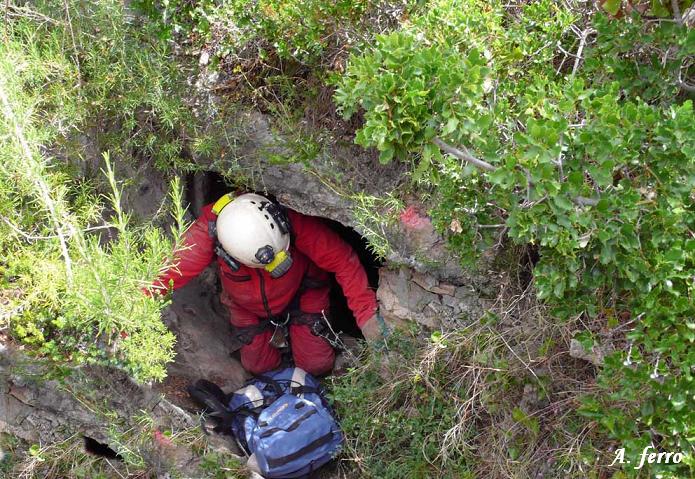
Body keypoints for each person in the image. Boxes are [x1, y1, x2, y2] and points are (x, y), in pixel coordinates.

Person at [150, 192, 388, 376]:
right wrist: (126, 311)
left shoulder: (289, 221)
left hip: (303, 292)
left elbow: (342, 260)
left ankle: (318, 340)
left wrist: (367, 317)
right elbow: (166, 273)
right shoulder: (211, 234)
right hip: (246, 305)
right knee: (259, 367)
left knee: (317, 365)